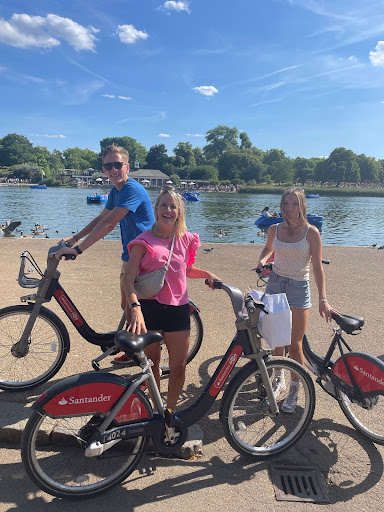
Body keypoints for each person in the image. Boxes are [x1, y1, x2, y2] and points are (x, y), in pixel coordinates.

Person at [121, 188, 220, 411]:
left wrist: (207, 274)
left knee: (178, 368)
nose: (168, 210)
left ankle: (169, 412)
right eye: (163, 205)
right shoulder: (142, 241)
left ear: (179, 212)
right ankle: (155, 410)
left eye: (173, 206)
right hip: (150, 308)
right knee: (152, 365)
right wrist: (135, 308)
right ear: (156, 209)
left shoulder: (185, 240)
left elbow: (187, 269)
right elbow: (128, 280)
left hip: (178, 310)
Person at [257, 187, 334, 413]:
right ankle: (278, 378)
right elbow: (268, 248)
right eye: (286, 203)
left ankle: (294, 386)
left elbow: (318, 267)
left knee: (295, 343)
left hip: (299, 287)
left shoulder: (311, 232)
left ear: (302, 206)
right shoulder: (273, 229)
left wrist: (323, 299)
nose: (289, 208)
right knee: (277, 339)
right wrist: (262, 260)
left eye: (294, 204)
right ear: (281, 205)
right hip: (275, 284)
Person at [55, 145, 155, 313]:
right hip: (130, 255)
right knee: (126, 307)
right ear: (104, 169)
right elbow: (101, 218)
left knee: (136, 310)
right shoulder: (116, 191)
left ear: (127, 167)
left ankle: (147, 338)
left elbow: (109, 224)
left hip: (145, 257)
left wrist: (78, 250)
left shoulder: (132, 189)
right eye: (108, 166)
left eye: (118, 165)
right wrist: (75, 238)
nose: (113, 169)